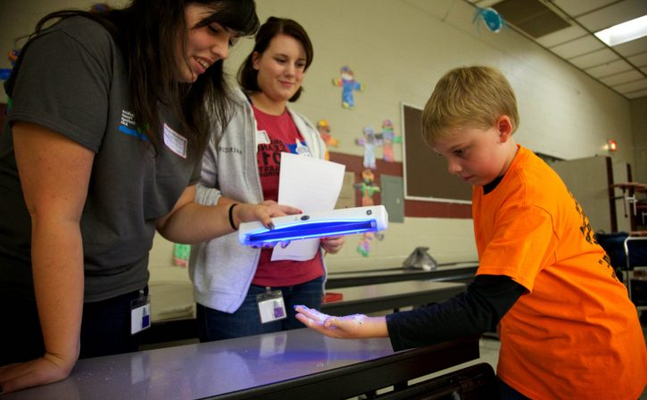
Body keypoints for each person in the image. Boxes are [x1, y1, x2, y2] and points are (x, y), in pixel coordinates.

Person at [0, 1, 300, 394]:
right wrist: (59, 354)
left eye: (231, 40)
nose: (224, 52)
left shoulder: (189, 95)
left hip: (121, 297)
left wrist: (240, 213)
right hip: (37, 300)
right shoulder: (83, 48)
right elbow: (55, 216)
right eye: (213, 30)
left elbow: (174, 217)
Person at [296, 66, 647, 400]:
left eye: (461, 151)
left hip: (587, 363)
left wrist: (371, 327)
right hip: (532, 354)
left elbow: (480, 309)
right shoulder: (489, 176)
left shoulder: (528, 196)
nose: (451, 167)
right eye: (443, 155)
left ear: (503, 129)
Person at [190, 17, 345, 342]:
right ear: (257, 59)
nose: (291, 72)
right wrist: (246, 210)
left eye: (300, 64)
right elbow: (193, 194)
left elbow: (315, 204)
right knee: (242, 386)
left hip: (307, 280)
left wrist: (328, 233)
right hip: (242, 286)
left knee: (304, 382)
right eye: (281, 59)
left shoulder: (310, 133)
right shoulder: (222, 114)